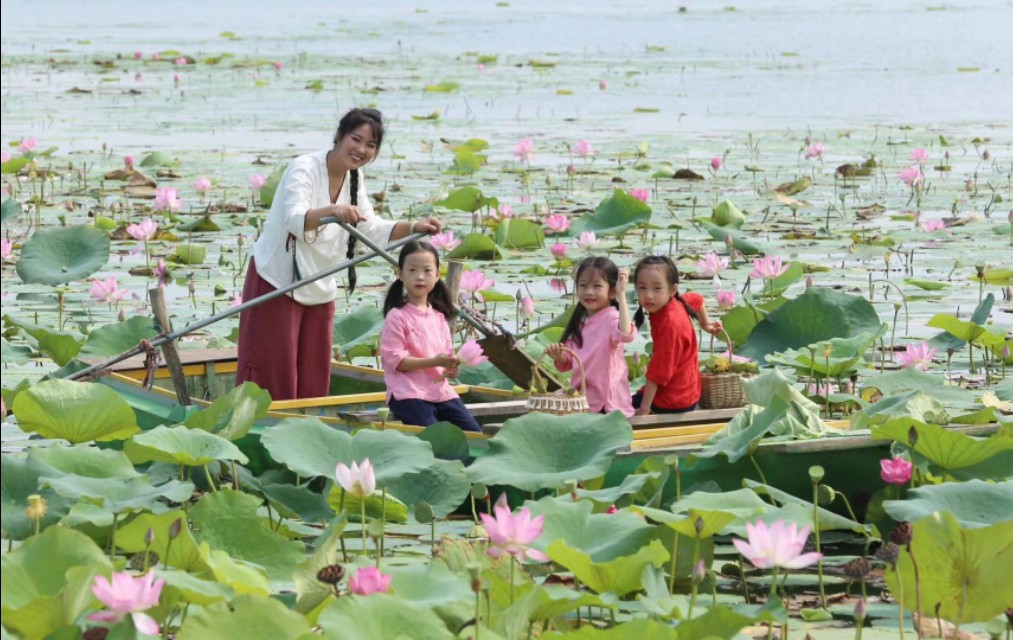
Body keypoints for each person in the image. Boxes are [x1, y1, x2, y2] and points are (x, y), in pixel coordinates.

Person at [236, 108, 442, 400]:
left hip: (320, 282)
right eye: (355, 139)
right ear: (339, 136)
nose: (361, 150)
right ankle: (267, 425)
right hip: (279, 279)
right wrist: (332, 211)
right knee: (273, 369)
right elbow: (294, 217)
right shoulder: (303, 167)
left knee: (314, 370)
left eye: (370, 145)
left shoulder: (354, 179)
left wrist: (413, 227)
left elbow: (370, 229)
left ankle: (310, 429)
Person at [379, 240, 482, 432]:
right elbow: (396, 361)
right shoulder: (397, 316)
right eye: (412, 270)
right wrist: (434, 361)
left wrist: (450, 369)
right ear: (400, 274)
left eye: (427, 271)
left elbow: (446, 357)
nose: (420, 277)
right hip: (407, 393)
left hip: (440, 391)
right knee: (434, 438)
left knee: (474, 433)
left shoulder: (439, 317)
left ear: (437, 275)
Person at [631, 255, 723, 416]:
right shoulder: (677, 301)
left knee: (615, 408)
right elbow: (697, 299)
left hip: (673, 402)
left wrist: (644, 410)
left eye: (657, 288)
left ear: (672, 290)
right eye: (642, 288)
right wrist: (705, 324)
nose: (649, 295)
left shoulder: (670, 324)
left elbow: (658, 373)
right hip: (689, 394)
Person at [545, 257, 635, 417]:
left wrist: (622, 295)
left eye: (597, 286)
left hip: (606, 403)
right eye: (583, 285)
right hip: (582, 399)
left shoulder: (612, 318)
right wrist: (559, 356)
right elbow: (569, 359)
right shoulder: (581, 322)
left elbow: (626, 334)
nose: (589, 292)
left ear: (612, 292)